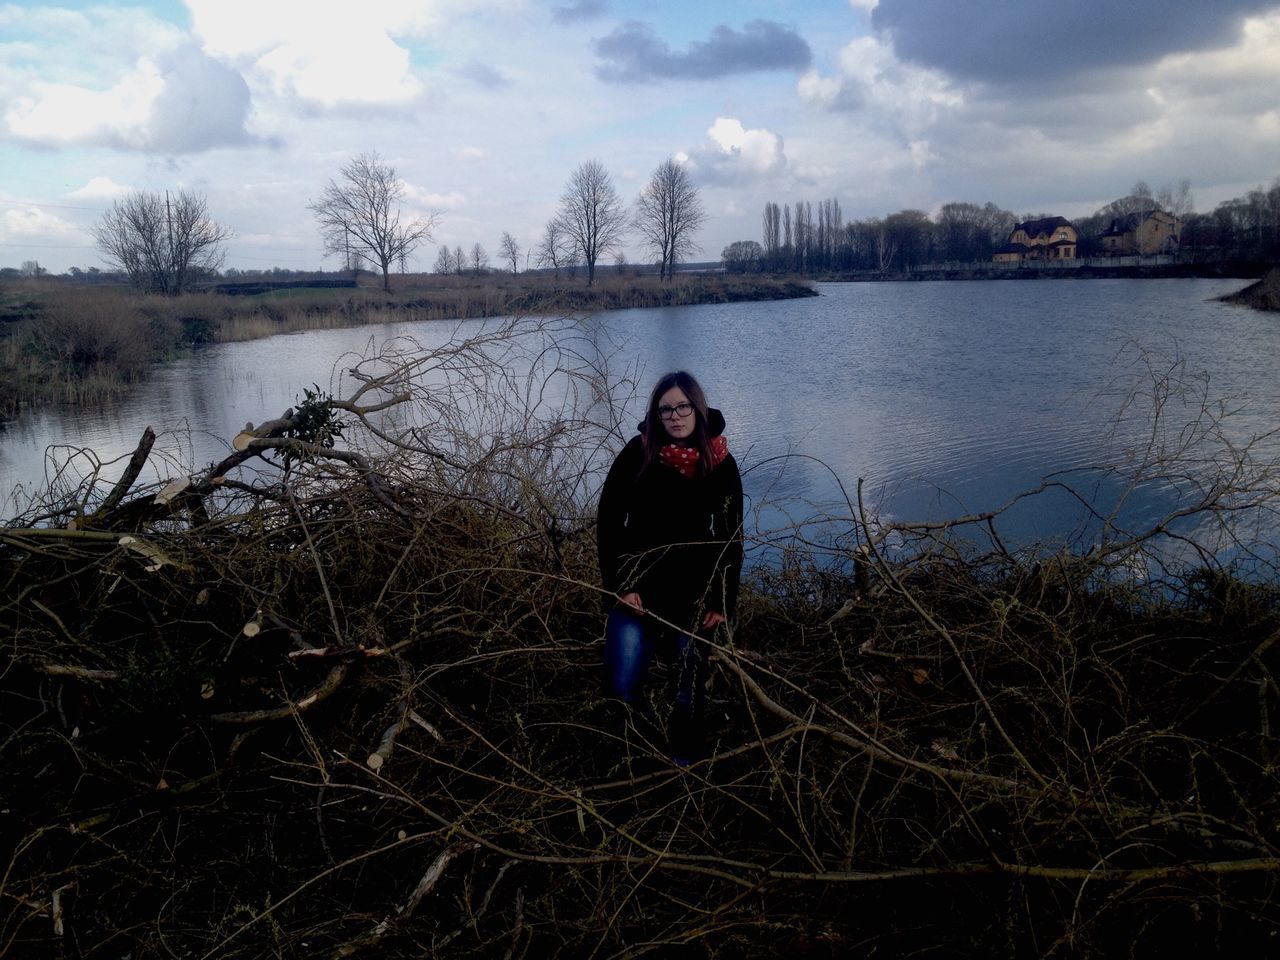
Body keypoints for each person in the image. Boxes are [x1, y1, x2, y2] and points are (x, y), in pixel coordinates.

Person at [596, 371, 744, 763]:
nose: (675, 416)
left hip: (693, 592)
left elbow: (731, 538)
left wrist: (722, 599)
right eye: (665, 409)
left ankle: (683, 771)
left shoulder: (720, 463)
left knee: (688, 689)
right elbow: (609, 521)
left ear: (697, 407)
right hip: (638, 585)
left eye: (682, 407)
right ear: (656, 414)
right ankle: (631, 758)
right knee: (622, 685)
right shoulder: (638, 452)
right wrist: (622, 585)